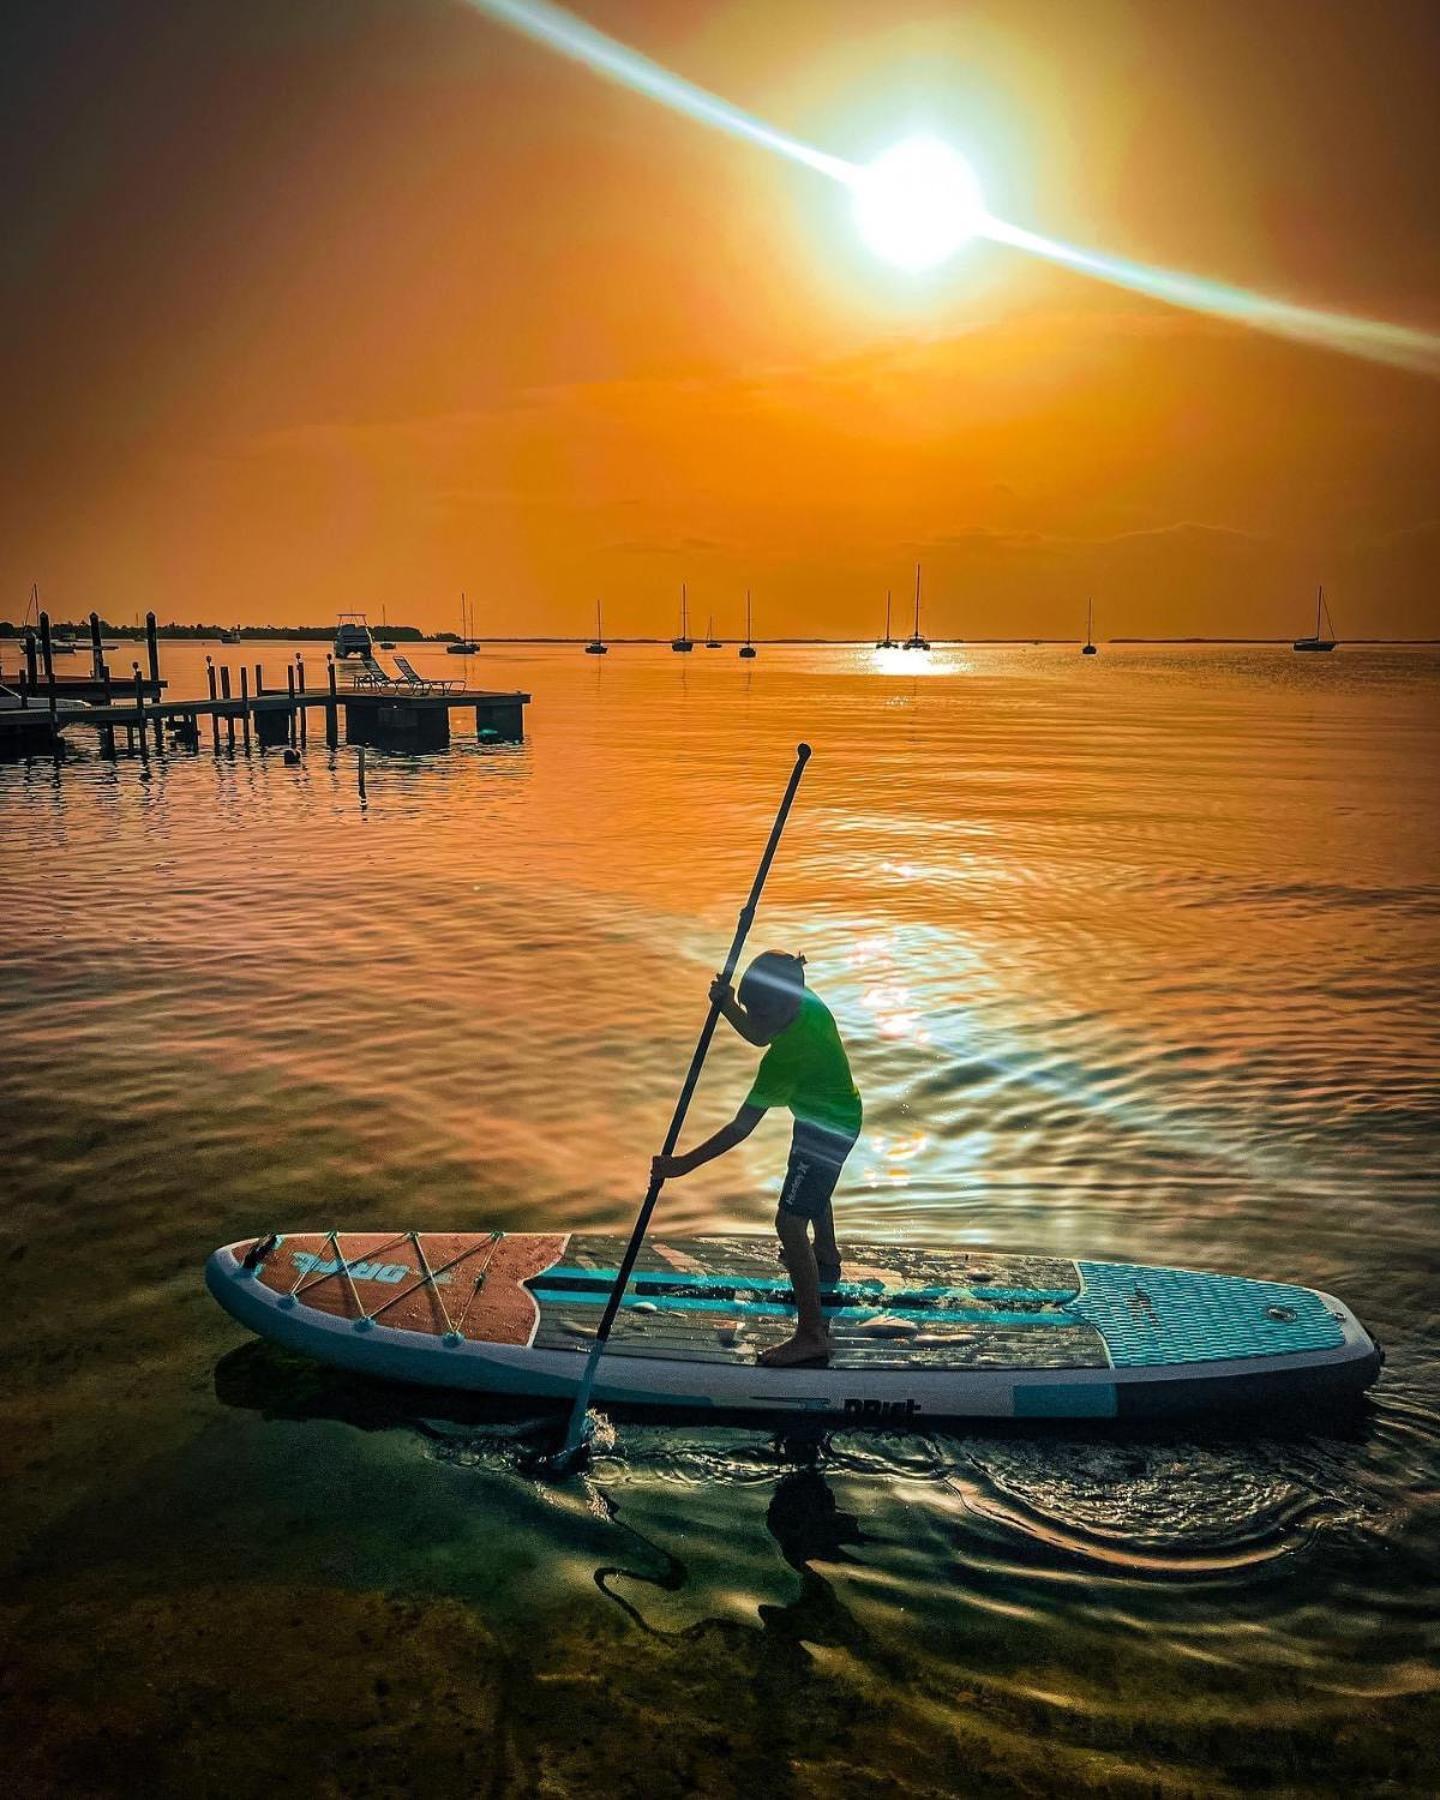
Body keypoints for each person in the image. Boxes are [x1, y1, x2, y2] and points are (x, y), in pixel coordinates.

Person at [650, 951, 862, 1368]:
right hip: (835, 1117)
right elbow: (761, 1033)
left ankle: (812, 1334)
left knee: (788, 1221)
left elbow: (740, 1128)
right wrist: (729, 1005)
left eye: (756, 1013)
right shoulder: (805, 1002)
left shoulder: (787, 1058)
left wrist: (682, 1165)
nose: (754, 1022)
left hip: (828, 1129)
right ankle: (827, 1254)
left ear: (781, 1007)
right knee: (811, 1185)